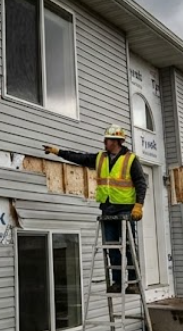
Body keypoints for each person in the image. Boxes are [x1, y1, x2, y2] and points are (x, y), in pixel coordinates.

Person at [43, 125, 148, 293]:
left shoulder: (130, 159)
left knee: (128, 247)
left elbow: (141, 184)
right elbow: (80, 158)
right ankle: (117, 282)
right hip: (107, 208)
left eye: (107, 139)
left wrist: (138, 205)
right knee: (111, 247)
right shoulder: (100, 158)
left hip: (125, 210)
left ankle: (133, 282)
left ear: (116, 141)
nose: (104, 142)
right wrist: (58, 151)